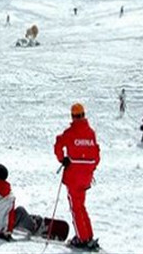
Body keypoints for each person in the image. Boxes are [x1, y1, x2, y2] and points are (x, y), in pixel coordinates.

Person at [54, 103, 100, 250]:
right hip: (86, 177)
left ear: (72, 116)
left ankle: (82, 238)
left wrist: (63, 159)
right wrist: (90, 169)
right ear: (84, 115)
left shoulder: (70, 133)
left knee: (76, 208)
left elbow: (58, 145)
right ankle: (88, 234)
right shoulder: (91, 133)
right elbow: (96, 156)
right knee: (81, 206)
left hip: (73, 177)